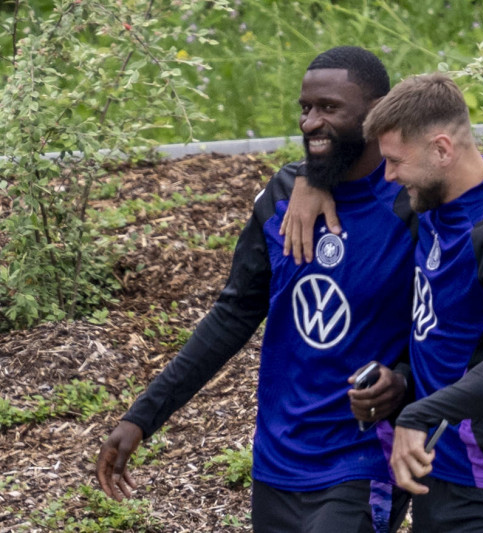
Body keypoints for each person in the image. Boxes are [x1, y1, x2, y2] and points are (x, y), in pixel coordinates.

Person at [95, 46, 418, 533]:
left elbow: (451, 324)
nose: (310, 123)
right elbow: (232, 316)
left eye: (330, 108)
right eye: (306, 109)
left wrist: (405, 378)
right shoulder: (282, 200)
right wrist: (142, 417)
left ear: (378, 112)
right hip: (277, 463)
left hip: (363, 461)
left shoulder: (415, 206)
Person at [364, 73, 483, 532]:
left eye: (395, 161)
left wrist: (419, 413)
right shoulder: (433, 202)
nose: (388, 176)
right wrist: (401, 381)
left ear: (442, 150)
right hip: (440, 476)